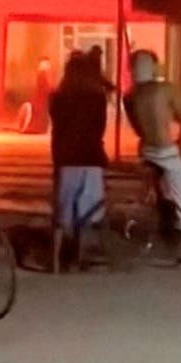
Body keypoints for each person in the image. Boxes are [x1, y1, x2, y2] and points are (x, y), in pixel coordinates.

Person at [123, 49, 181, 265]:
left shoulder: (130, 96)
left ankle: (161, 234)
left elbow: (136, 128)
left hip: (147, 151)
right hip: (166, 151)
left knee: (160, 193)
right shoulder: (165, 89)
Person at [49, 53, 109, 273]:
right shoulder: (97, 97)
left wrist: (56, 160)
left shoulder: (58, 97)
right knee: (87, 209)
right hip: (91, 157)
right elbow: (99, 128)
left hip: (67, 157)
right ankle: (78, 256)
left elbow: (57, 130)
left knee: (63, 209)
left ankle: (56, 260)